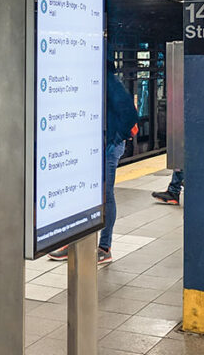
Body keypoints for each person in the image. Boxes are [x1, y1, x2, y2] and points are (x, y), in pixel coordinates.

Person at [49, 59, 139, 265]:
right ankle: (75, 243)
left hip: (108, 148)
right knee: (81, 193)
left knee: (105, 196)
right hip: (90, 148)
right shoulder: (90, 81)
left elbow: (130, 114)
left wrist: (115, 137)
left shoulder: (109, 81)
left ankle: (104, 247)